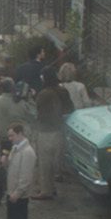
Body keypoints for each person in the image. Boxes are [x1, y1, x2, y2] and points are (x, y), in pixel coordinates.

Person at [32, 69, 74, 199]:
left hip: (46, 130)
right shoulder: (62, 91)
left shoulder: (44, 94)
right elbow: (70, 108)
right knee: (55, 161)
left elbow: (38, 111)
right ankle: (51, 188)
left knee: (45, 164)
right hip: (60, 129)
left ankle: (46, 191)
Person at [0, 123, 35, 219]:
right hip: (11, 192)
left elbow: (25, 178)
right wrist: (5, 161)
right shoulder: (15, 149)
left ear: (20, 133)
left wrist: (17, 193)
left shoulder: (27, 153)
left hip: (19, 196)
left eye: (12, 135)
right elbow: (11, 169)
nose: (10, 139)